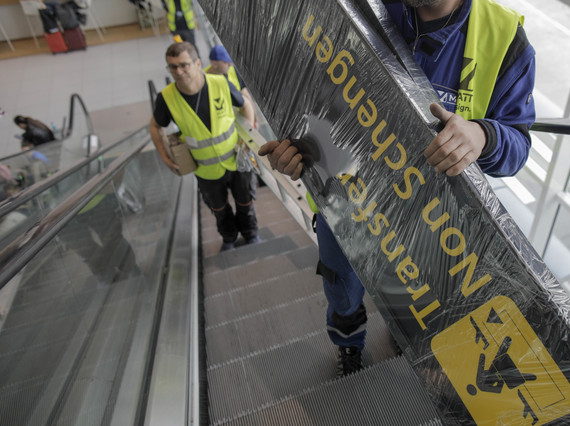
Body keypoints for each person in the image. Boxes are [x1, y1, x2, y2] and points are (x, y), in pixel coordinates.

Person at [258, 0, 535, 377]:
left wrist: (483, 136)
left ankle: (402, 335)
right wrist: (295, 149)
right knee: (341, 288)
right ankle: (349, 344)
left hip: (428, 221)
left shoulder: (503, 38)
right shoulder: (357, 7)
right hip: (345, 200)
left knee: (415, 300)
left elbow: (517, 147)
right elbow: (313, 93)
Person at [150, 41, 260, 251]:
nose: (178, 71)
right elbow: (155, 126)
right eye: (173, 67)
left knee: (245, 202)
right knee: (219, 209)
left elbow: (245, 105)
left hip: (237, 161)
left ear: (198, 63)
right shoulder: (166, 98)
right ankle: (229, 239)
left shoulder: (220, 83)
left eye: (184, 65)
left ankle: (251, 235)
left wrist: (247, 138)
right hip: (205, 170)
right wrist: (164, 156)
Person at [205, 45, 259, 129]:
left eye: (230, 61)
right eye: (226, 62)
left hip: (242, 117)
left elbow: (246, 94)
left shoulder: (233, 70)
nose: (230, 64)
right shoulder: (205, 80)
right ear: (214, 64)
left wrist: (255, 119)